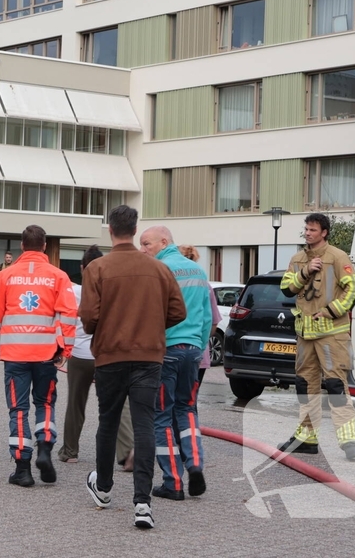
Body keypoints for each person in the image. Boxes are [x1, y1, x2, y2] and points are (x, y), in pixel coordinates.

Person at [80, 206, 185, 530]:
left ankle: (105, 487)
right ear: (135, 228)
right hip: (148, 357)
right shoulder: (159, 269)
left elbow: (88, 320)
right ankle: (142, 503)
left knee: (108, 422)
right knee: (144, 426)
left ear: (110, 230)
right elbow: (178, 312)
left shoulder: (97, 268)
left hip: (111, 355)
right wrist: (151, 326)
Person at [0, 225, 76, 487]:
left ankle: (23, 469)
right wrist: (65, 350)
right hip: (46, 354)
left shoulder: (5, 276)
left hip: (15, 355)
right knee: (45, 404)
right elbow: (69, 316)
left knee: (18, 409)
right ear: (44, 246)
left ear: (22, 246)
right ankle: (45, 448)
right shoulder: (59, 276)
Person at [278, 213, 355, 460]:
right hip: (305, 335)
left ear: (324, 232)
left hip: (331, 335)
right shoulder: (298, 259)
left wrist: (331, 311)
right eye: (306, 229)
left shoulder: (337, 256)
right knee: (305, 385)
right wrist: (305, 271)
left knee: (336, 386)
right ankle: (307, 437)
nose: (308, 233)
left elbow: (353, 288)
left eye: (313, 229)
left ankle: (349, 441)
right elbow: (286, 288)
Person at [140, 227, 212, 502]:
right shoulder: (197, 271)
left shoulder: (158, 270)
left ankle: (173, 482)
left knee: (161, 417)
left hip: (166, 352)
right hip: (193, 351)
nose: (143, 249)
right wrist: (198, 346)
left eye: (146, 244)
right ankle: (194, 463)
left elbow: (149, 315)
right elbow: (207, 317)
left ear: (164, 241)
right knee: (188, 410)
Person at [59, 246, 135, 469]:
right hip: (106, 353)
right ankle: (127, 452)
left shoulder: (73, 292)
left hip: (80, 354)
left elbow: (65, 323)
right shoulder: (113, 292)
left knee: (76, 403)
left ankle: (70, 450)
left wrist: (62, 350)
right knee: (118, 403)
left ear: (82, 268)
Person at [178, 244, 222, 384]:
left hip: (173, 350)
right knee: (189, 400)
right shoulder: (205, 284)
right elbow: (213, 323)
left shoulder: (172, 281)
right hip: (198, 353)